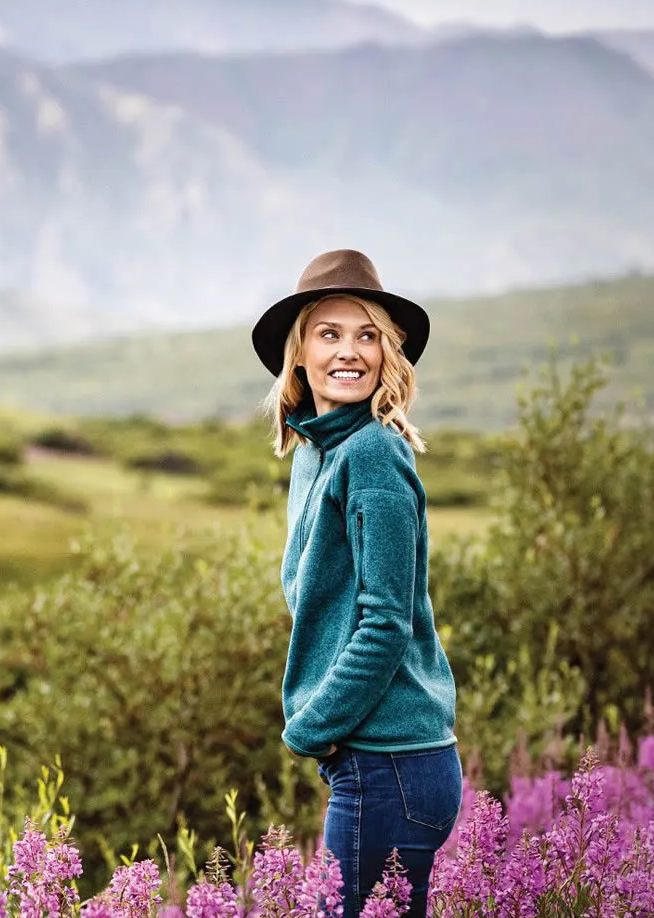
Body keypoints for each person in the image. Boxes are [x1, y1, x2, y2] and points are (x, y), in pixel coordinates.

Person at [250, 249, 462, 918]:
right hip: (380, 761)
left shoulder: (371, 452)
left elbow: (384, 623)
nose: (351, 351)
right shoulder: (320, 450)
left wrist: (310, 727)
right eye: (330, 333)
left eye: (367, 334)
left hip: (391, 762)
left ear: (387, 354)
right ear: (301, 352)